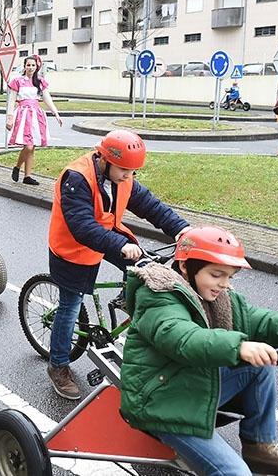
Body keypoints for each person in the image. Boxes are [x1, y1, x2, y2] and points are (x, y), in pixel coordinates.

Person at [120, 226, 278, 476]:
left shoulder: (218, 297)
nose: (224, 284)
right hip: (163, 402)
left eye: (229, 277)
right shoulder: (159, 297)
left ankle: (259, 446)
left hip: (188, 385)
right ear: (185, 267)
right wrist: (239, 346)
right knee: (234, 473)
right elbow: (183, 338)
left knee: (262, 364)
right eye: (216, 275)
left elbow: (258, 319)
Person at [46, 129, 190, 399]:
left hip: (106, 237)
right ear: (104, 159)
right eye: (124, 170)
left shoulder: (122, 177)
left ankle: (128, 299)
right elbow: (82, 227)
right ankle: (58, 366)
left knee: (146, 268)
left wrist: (182, 229)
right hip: (71, 249)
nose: (128, 176)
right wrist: (121, 245)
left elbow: (150, 205)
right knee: (70, 306)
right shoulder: (76, 179)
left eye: (133, 171)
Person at [5, 54, 63, 186]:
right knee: (28, 146)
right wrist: (10, 117)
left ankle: (27, 176)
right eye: (28, 65)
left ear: (37, 67)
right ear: (24, 66)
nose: (30, 67)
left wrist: (56, 113)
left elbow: (47, 98)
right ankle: (18, 167)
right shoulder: (18, 81)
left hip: (36, 115)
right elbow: (12, 100)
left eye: (33, 65)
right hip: (23, 114)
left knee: (32, 147)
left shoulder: (40, 82)